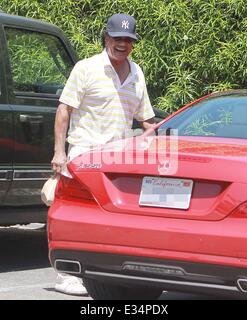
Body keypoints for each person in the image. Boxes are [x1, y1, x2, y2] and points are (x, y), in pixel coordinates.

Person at [51, 13, 156, 296]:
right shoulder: (86, 68)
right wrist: (60, 153)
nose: (123, 44)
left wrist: (164, 140)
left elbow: (145, 119)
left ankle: (108, 271)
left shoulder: (137, 73)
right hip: (85, 155)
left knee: (110, 217)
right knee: (76, 214)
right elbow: (64, 110)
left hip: (120, 160)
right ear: (106, 38)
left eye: (128, 40)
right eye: (117, 38)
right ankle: (67, 273)